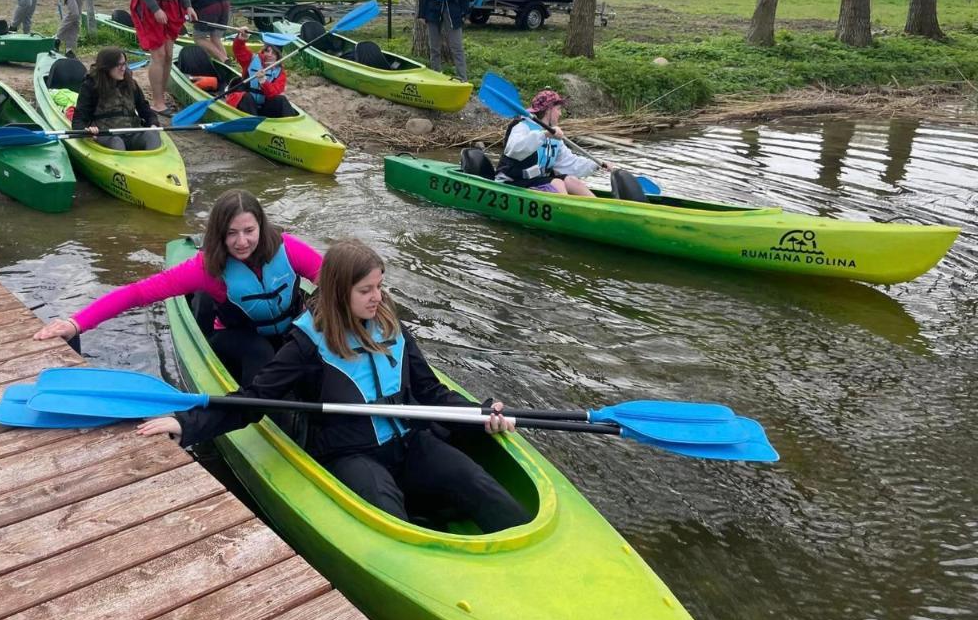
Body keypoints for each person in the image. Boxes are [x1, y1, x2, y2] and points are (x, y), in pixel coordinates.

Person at [137, 240, 531, 533]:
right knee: (389, 518)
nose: (378, 297)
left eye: (379, 286)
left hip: (410, 443)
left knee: (478, 483)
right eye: (366, 290)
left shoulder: (391, 326)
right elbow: (256, 399)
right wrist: (186, 425)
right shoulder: (307, 344)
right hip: (352, 454)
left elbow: (430, 393)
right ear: (341, 292)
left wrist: (481, 414)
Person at [34, 189, 321, 383]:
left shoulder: (288, 248)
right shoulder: (205, 268)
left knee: (317, 352)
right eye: (231, 233)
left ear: (261, 225)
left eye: (249, 231)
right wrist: (77, 323)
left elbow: (337, 280)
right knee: (261, 354)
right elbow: (138, 293)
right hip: (238, 339)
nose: (242, 241)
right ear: (218, 234)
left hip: (289, 330)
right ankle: (268, 422)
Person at [495, 89, 612, 197]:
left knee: (571, 180)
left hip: (536, 181)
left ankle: (599, 208)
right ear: (549, 109)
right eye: (558, 109)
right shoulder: (522, 127)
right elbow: (514, 150)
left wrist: (596, 164)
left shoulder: (554, 134)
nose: (560, 114)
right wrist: (544, 134)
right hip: (511, 181)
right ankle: (567, 213)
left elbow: (569, 163)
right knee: (557, 183)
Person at [70, 47, 161, 151]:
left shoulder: (131, 84)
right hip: (107, 135)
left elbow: (145, 109)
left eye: (124, 64)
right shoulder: (90, 86)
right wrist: (85, 130)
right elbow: (79, 119)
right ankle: (121, 166)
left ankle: (152, 165)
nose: (123, 68)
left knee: (151, 136)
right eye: (119, 65)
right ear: (107, 67)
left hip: (132, 133)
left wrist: (153, 123)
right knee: (117, 142)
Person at [228, 31, 297, 117]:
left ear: (278, 56)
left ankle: (290, 123)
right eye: (267, 51)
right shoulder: (251, 59)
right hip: (246, 104)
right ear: (263, 51)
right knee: (247, 97)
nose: (269, 55)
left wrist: (264, 82)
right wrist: (240, 39)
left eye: (274, 53)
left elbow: (273, 94)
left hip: (264, 107)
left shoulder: (280, 73)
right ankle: (252, 121)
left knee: (281, 99)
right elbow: (238, 50)